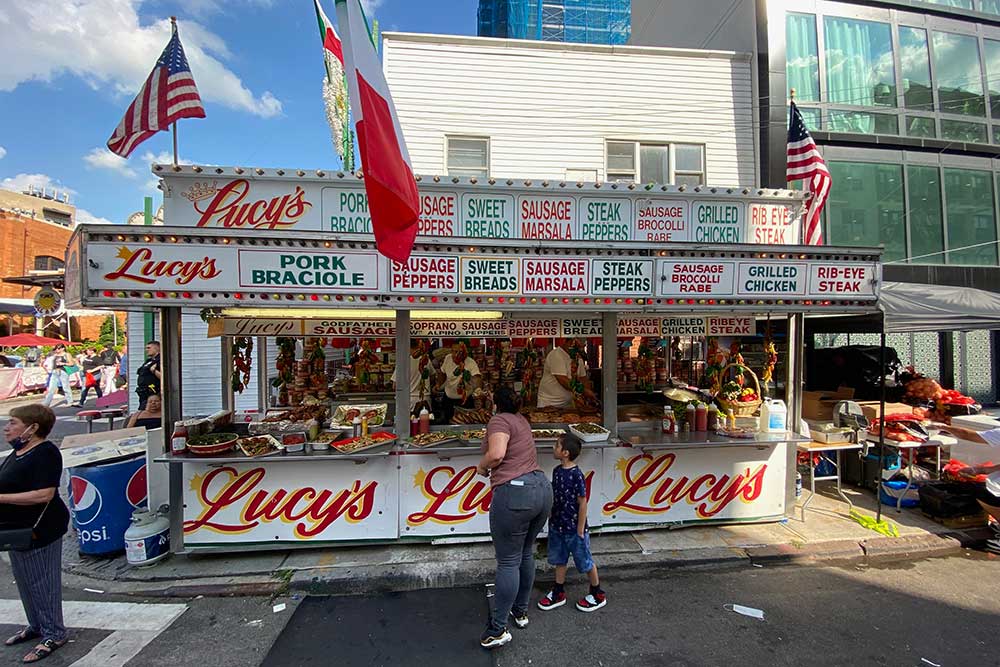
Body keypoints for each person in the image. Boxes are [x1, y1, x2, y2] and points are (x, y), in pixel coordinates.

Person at [475, 386, 552, 650]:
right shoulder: (522, 421)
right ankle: (520, 612)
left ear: (496, 402)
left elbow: (497, 454)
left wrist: (482, 466)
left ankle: (497, 629)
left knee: (508, 561)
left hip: (515, 494)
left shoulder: (500, 420)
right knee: (526, 553)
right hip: (542, 489)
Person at [0, 404, 70, 663]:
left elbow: (45, 494)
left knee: (43, 582)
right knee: (26, 582)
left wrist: (2, 498)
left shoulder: (45, 453)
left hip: (41, 529)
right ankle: (37, 625)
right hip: (15, 530)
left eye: (13, 423)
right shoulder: (18, 452)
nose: (7, 428)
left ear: (32, 428)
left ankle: (54, 632)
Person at [537, 435, 607, 613]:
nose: (554, 448)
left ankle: (597, 593)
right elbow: (555, 496)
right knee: (560, 559)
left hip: (575, 528)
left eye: (556, 445)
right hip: (557, 525)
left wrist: (580, 529)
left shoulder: (577, 475)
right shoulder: (556, 471)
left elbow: (582, 502)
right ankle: (558, 591)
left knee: (585, 561)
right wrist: (551, 516)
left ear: (565, 453)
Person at [537, 338, 597, 409]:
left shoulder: (578, 358)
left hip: (568, 404)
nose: (580, 349)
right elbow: (563, 380)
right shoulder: (556, 355)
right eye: (577, 346)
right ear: (569, 342)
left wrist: (588, 395)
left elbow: (583, 378)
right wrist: (584, 391)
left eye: (582, 347)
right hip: (549, 403)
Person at [436, 340, 482, 423]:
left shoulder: (470, 362)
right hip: (448, 400)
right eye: (453, 351)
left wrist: (478, 389)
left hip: (465, 401)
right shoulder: (448, 358)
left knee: (465, 425)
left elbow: (477, 378)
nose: (455, 354)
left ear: (465, 352)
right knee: (448, 424)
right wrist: (438, 384)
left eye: (458, 352)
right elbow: (442, 372)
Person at [136, 341, 161, 410]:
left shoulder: (160, 360)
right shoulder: (149, 361)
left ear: (156, 348)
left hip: (152, 391)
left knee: (147, 410)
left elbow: (164, 377)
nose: (146, 350)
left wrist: (154, 371)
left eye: (149, 348)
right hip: (143, 392)